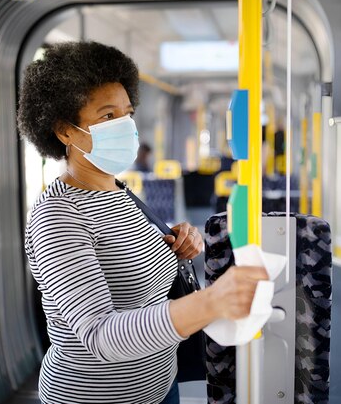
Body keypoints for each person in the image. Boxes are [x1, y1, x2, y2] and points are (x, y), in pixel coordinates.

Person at [17, 41, 268, 404]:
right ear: (64, 131)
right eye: (107, 116)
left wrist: (184, 241)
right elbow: (101, 335)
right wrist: (212, 303)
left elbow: (139, 268)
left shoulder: (119, 191)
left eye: (127, 112)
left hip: (160, 386)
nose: (125, 126)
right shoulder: (57, 216)